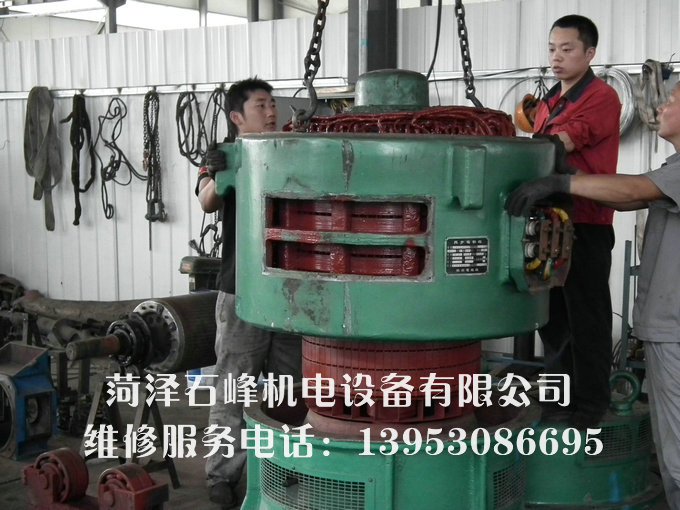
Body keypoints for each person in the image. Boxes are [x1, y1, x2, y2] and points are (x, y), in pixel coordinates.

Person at [506, 80, 680, 509]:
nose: (662, 106)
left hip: (675, 330)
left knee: (678, 457)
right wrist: (568, 176)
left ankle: (588, 401)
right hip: (666, 327)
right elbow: (626, 196)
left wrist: (561, 183)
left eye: (673, 100)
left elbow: (632, 191)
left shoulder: (602, 98)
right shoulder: (672, 166)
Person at [196, 78, 302, 509]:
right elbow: (206, 201)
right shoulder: (225, 155)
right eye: (261, 105)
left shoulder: (292, 151)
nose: (272, 111)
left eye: (273, 103)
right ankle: (222, 476)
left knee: (289, 390)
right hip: (241, 292)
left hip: (288, 293)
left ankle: (285, 469)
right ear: (237, 116)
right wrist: (220, 173)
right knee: (233, 388)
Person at [530, 14, 621, 428]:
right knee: (551, 319)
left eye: (567, 49)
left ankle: (589, 408)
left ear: (589, 53)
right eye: (552, 49)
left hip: (586, 223)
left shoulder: (602, 97)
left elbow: (561, 143)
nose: (557, 57)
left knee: (587, 317)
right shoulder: (548, 101)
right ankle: (557, 402)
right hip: (549, 221)